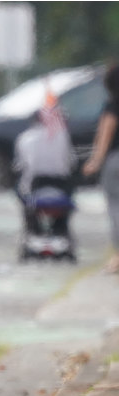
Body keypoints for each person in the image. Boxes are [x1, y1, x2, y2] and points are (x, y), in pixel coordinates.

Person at [83, 64, 119, 272]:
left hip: (115, 162)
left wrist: (95, 161)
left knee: (116, 208)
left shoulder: (112, 106)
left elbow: (105, 134)